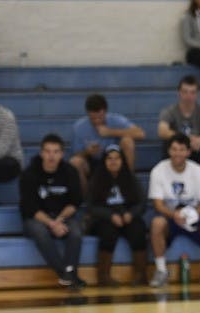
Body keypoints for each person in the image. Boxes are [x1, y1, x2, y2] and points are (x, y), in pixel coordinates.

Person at [147, 133, 200, 287]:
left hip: (194, 218)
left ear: (188, 152)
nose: (177, 153)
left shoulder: (198, 171)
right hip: (170, 218)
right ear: (169, 151)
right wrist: (174, 215)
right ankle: (161, 271)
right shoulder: (158, 170)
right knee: (156, 223)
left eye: (181, 149)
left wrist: (193, 214)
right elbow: (158, 204)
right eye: (174, 149)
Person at [19, 134, 86, 289]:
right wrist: (51, 223)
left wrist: (59, 220)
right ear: (41, 153)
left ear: (62, 154)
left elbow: (75, 202)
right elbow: (30, 208)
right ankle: (66, 274)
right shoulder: (29, 174)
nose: (51, 156)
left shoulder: (70, 172)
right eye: (48, 151)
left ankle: (69, 274)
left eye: (56, 152)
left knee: (76, 232)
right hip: (36, 218)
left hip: (62, 216)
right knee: (40, 232)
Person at [87, 145, 149, 287]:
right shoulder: (96, 179)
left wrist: (130, 214)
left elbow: (142, 203)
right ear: (104, 161)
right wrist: (110, 216)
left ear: (122, 161)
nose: (113, 161)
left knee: (138, 229)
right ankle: (104, 276)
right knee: (108, 231)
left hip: (127, 216)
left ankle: (141, 275)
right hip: (103, 218)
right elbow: (91, 207)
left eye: (117, 158)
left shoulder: (131, 178)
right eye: (109, 158)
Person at [70, 94, 145, 193]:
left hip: (114, 159)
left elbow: (140, 134)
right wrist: (87, 152)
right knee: (75, 162)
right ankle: (86, 198)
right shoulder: (79, 127)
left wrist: (110, 132)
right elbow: (76, 154)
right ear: (88, 113)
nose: (97, 121)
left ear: (105, 112)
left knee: (128, 142)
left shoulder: (116, 120)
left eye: (100, 117)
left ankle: (128, 182)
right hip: (92, 162)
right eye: (93, 118)